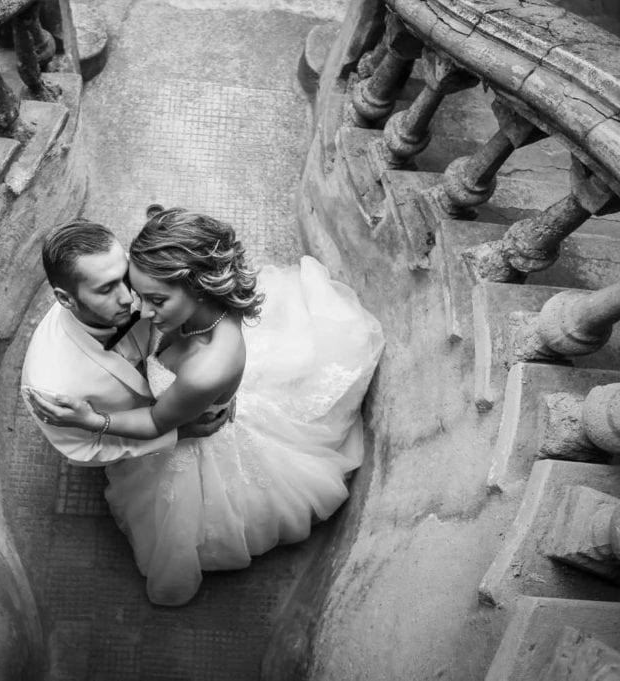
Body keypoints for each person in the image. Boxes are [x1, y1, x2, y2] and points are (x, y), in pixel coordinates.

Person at [26, 207, 384, 606]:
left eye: (148, 295)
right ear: (66, 299)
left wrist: (96, 420)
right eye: (112, 288)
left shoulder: (204, 365)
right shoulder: (55, 378)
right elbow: (80, 448)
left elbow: (156, 420)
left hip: (193, 429)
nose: (135, 304)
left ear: (195, 286)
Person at [20, 218, 228, 468]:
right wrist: (178, 434)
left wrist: (216, 389)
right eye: (106, 289)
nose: (130, 298)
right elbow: (86, 450)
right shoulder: (50, 388)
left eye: (125, 277)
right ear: (66, 299)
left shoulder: (139, 279)